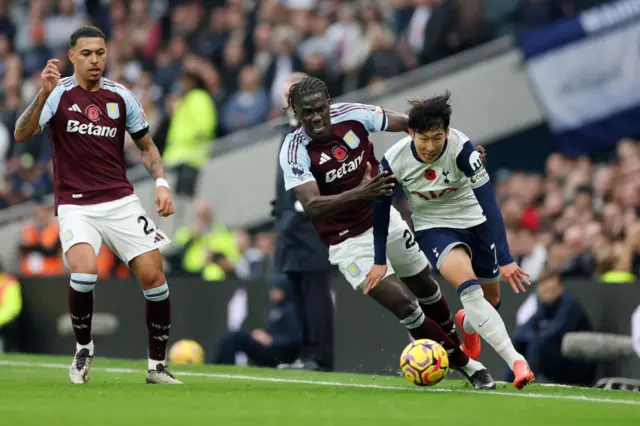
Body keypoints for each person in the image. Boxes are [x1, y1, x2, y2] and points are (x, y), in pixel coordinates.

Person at [278, 77, 494, 389]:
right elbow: (311, 205)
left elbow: (413, 125)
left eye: (320, 109)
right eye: (306, 112)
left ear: (329, 103)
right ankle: (470, 367)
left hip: (383, 221)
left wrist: (461, 152)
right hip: (347, 242)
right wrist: (361, 192)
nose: (315, 117)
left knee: (425, 284)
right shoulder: (294, 149)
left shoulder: (352, 114)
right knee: (404, 304)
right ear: (296, 113)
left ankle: (452, 344)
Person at [13, 26, 180, 385]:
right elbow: (22, 134)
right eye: (87, 53)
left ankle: (156, 366)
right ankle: (84, 348)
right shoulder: (57, 95)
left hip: (120, 200)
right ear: (72, 56)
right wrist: (41, 96)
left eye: (100, 53)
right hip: (76, 204)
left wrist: (161, 183)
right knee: (85, 272)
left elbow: (147, 146)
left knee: (154, 276)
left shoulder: (122, 97)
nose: (95, 60)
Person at [367, 91, 535, 389]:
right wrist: (379, 259)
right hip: (434, 228)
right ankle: (517, 362)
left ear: (446, 132)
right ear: (410, 133)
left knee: (490, 300)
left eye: (437, 137)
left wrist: (506, 258)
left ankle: (468, 323)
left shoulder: (462, 150)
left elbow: (490, 205)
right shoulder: (393, 161)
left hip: (475, 223)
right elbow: (380, 211)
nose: (431, 147)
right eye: (423, 139)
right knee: (470, 290)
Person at [272, 72, 335, 371]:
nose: (286, 100)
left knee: (315, 294)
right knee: (298, 293)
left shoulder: (317, 132)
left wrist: (298, 209)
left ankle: (320, 357)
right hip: (291, 227)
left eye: (291, 94)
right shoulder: (289, 131)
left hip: (311, 226)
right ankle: (306, 354)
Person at [212, 273, 301, 367]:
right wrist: (262, 334)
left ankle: (221, 365)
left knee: (237, 336)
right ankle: (220, 364)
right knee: (234, 335)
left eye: (276, 289)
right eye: (272, 289)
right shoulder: (277, 309)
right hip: (271, 349)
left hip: (281, 356)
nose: (272, 292)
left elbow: (296, 339)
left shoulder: (292, 310)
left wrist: (272, 340)